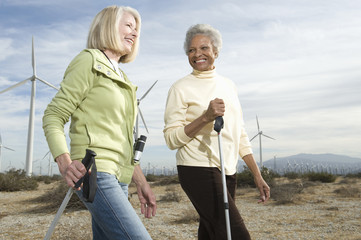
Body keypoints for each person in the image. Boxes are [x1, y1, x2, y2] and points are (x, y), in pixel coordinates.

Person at [43, 6, 156, 240]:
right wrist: (64, 163)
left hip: (120, 176)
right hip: (96, 173)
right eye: (128, 26)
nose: (135, 33)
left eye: (137, 30)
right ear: (108, 27)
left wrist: (140, 181)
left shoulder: (122, 78)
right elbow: (53, 115)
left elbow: (121, 139)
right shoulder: (88, 61)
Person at [163, 24, 270, 240]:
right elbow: (171, 139)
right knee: (236, 234)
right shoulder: (180, 88)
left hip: (228, 170)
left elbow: (239, 134)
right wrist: (205, 117)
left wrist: (257, 176)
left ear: (216, 52)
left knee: (212, 232)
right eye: (191, 50)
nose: (197, 54)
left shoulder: (229, 85)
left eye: (204, 48)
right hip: (196, 167)